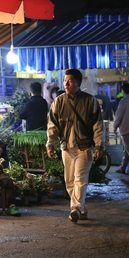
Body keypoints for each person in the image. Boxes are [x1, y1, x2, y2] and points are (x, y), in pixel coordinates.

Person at [46, 69, 104, 223]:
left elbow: (98, 125)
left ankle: (75, 209)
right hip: (66, 147)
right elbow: (52, 125)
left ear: (78, 83)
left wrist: (98, 145)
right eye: (65, 81)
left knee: (80, 179)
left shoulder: (90, 101)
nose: (66, 84)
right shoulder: (59, 102)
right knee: (69, 181)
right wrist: (50, 144)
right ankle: (80, 207)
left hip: (84, 147)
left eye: (70, 81)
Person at [113, 82, 129, 174]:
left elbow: (119, 115)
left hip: (126, 129)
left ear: (123, 91)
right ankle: (123, 167)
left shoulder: (123, 102)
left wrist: (115, 126)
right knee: (127, 149)